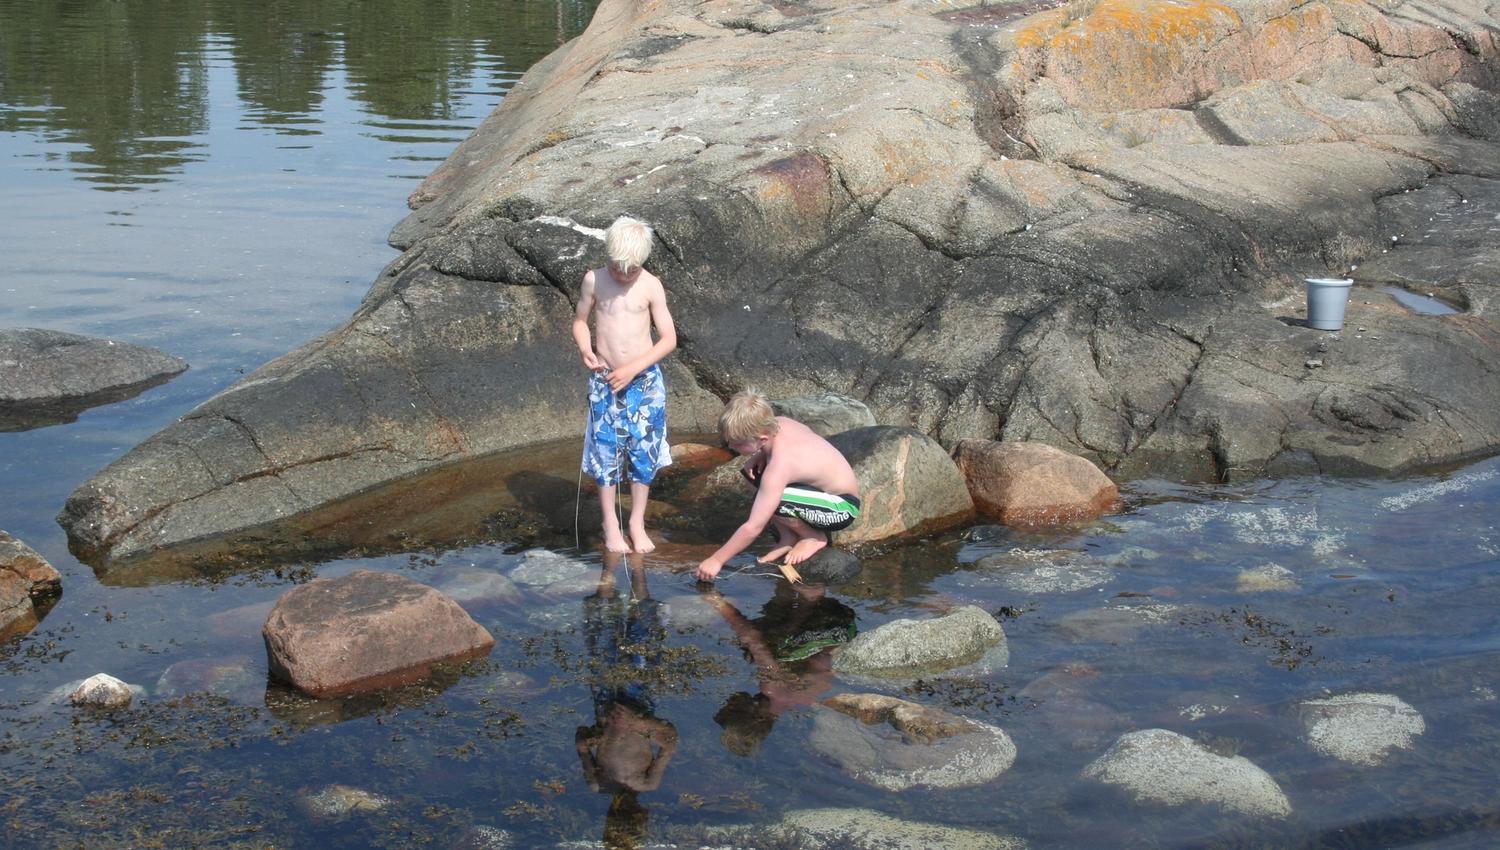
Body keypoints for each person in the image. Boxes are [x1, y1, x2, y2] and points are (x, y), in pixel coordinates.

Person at [572, 216, 677, 554]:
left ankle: (636, 522)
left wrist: (632, 369)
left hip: (644, 381)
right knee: (606, 451)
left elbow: (669, 339)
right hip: (605, 380)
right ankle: (611, 524)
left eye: (631, 270)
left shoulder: (650, 285)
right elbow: (579, 321)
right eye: (617, 267)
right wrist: (585, 348)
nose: (623, 274)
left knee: (644, 451)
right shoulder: (594, 280)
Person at [694, 390, 861, 581]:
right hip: (822, 495)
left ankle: (813, 537)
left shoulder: (780, 465)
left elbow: (753, 527)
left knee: (774, 498)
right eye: (728, 441)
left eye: (737, 444)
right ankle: (788, 536)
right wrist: (760, 454)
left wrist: (717, 559)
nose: (731, 447)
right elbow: (804, 434)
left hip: (842, 507)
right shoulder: (780, 422)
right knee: (752, 475)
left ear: (762, 438)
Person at [576, 551, 677, 846]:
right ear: (641, 815)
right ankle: (637, 565)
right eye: (633, 817)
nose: (628, 810)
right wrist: (637, 724)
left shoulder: (597, 784)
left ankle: (609, 565)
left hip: (605, 704)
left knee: (601, 636)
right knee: (642, 637)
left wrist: (593, 739)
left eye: (619, 816)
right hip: (639, 703)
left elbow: (580, 741)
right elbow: (671, 741)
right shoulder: (648, 782)